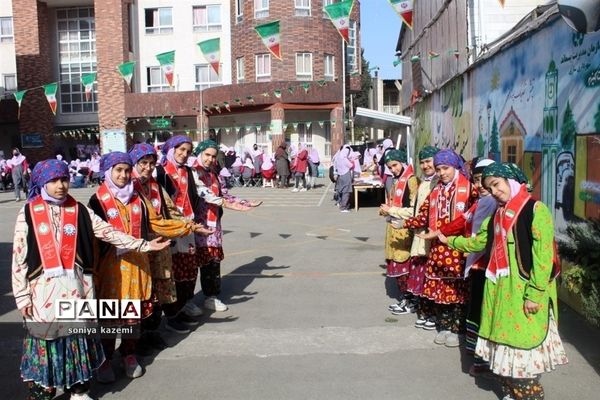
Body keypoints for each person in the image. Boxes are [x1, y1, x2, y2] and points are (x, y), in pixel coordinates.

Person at [11, 159, 171, 400]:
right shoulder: (28, 214)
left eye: (64, 179)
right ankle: (44, 392)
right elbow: (19, 258)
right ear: (41, 182)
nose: (61, 186)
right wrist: (22, 295)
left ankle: (78, 390)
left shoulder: (80, 210)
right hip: (43, 292)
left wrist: (143, 244)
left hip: (77, 288)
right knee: (48, 341)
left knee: (77, 338)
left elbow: (108, 232)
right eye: (53, 181)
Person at [441, 163, 568, 400]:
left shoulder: (535, 210)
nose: (495, 191)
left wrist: (534, 293)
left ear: (512, 181)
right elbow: (479, 242)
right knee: (503, 348)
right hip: (500, 290)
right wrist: (448, 240)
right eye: (490, 187)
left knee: (522, 351)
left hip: (524, 291)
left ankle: (529, 395)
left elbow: (542, 260)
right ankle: (513, 392)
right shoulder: (498, 214)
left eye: (497, 184)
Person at [89, 151, 195, 381]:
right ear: (108, 172)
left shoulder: (138, 198)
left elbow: (158, 222)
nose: (124, 175)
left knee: (132, 315)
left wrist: (189, 227)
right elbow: (93, 241)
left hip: (138, 265)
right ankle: (105, 358)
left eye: (127, 170)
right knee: (109, 314)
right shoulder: (97, 201)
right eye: (118, 170)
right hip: (110, 270)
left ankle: (128, 354)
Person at [129, 143, 213, 348]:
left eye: (151, 163)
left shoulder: (156, 186)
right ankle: (134, 341)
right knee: (139, 292)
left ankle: (152, 331)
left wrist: (191, 225)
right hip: (137, 248)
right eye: (143, 163)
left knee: (159, 289)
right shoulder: (128, 187)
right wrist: (188, 227)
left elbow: (171, 210)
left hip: (161, 246)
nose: (148, 168)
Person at [420, 157, 497, 374]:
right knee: (467, 303)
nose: (480, 186)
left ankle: (483, 355)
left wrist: (450, 240)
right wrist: (436, 233)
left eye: (486, 181)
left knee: (476, 305)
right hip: (472, 261)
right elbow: (462, 219)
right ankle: (477, 356)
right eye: (477, 180)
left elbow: (480, 240)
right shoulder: (481, 202)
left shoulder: (497, 204)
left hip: (487, 264)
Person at [403, 149, 478, 347]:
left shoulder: (469, 189)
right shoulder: (436, 191)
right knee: (441, 289)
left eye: (446, 168)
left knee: (457, 290)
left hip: (458, 248)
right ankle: (444, 326)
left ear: (455, 166)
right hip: (438, 249)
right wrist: (404, 222)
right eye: (439, 169)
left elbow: (469, 217)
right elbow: (424, 215)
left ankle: (457, 329)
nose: (442, 172)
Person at [192, 139, 253, 312]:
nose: (210, 159)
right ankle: (186, 302)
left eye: (213, 156)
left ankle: (211, 297)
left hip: (213, 225)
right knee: (189, 264)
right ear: (199, 153)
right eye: (207, 155)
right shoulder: (193, 172)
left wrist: (243, 202)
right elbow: (204, 193)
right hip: (195, 226)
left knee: (212, 261)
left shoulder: (213, 173)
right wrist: (227, 203)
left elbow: (223, 193)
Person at [378, 149, 418, 315]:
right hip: (393, 230)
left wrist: (392, 210)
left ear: (402, 162)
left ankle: (411, 301)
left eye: (395, 165)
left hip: (404, 230)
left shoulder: (411, 181)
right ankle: (404, 299)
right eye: (390, 167)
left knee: (405, 268)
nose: (393, 169)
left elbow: (414, 209)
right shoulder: (398, 180)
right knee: (397, 268)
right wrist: (386, 210)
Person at [333, 145, 353, 212]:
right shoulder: (344, 159)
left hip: (340, 175)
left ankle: (341, 203)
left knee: (341, 190)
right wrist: (352, 161)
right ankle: (343, 207)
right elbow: (351, 165)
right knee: (346, 192)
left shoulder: (338, 158)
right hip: (346, 175)